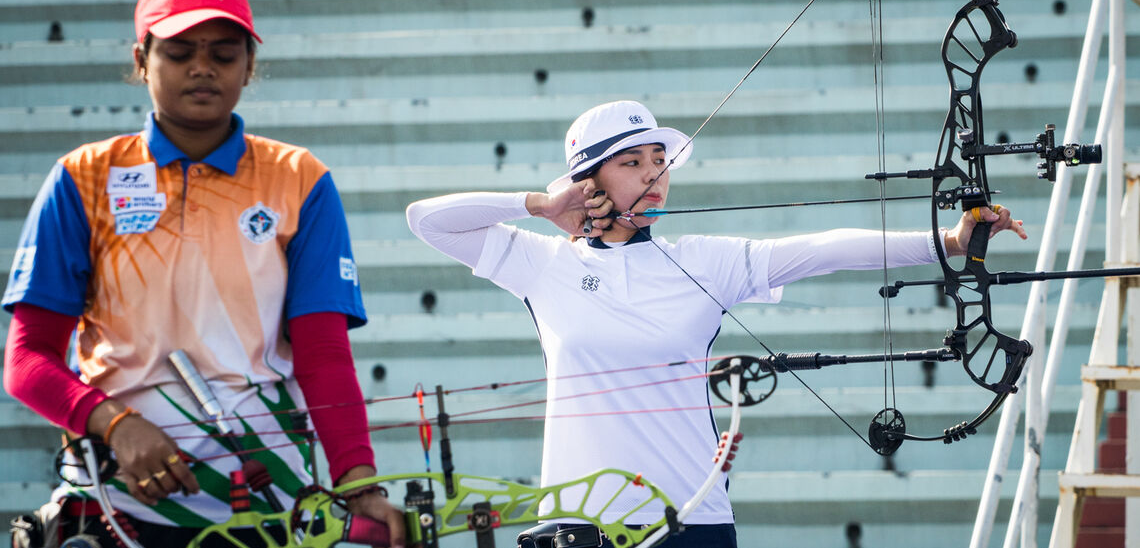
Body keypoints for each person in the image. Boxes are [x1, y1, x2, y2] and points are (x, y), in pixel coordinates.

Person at [405, 100, 1026, 547]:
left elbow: (822, 249)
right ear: (587, 181)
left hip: (692, 521)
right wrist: (541, 205)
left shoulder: (703, 261)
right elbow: (425, 220)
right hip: (579, 526)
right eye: (632, 163)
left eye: (660, 160)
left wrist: (947, 241)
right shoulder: (543, 264)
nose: (654, 175)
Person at [2, 0, 405, 548]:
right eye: (179, 51)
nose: (202, 67)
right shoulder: (83, 178)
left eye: (223, 53)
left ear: (249, 65)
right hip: (116, 506)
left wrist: (359, 485)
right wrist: (116, 425)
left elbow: (323, 354)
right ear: (142, 60)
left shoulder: (299, 180)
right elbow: (27, 360)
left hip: (268, 505)